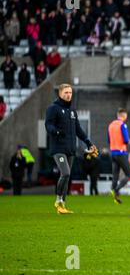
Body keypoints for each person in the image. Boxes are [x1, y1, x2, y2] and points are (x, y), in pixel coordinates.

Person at [45, 83, 97, 214]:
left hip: (70, 149)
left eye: (70, 93)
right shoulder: (53, 108)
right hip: (58, 148)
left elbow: (78, 129)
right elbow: (48, 125)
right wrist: (56, 132)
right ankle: (58, 200)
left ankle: (62, 205)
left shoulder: (72, 111)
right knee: (66, 173)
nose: (68, 95)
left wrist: (88, 142)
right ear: (60, 94)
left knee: (67, 177)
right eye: (66, 93)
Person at [108, 108, 130, 204]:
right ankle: (116, 189)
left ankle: (115, 196)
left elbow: (109, 140)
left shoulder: (110, 125)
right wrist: (128, 141)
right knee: (128, 174)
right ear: (124, 115)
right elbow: (126, 140)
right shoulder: (122, 125)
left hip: (113, 153)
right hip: (121, 153)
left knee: (115, 176)